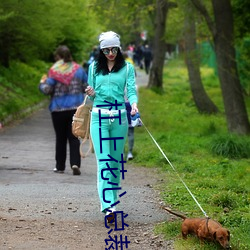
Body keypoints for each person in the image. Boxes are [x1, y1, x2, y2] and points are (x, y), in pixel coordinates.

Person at [85, 31, 138, 223]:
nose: (110, 53)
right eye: (106, 50)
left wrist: (134, 104)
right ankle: (108, 206)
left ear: (119, 48)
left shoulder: (127, 68)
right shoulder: (93, 68)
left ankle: (113, 200)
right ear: (101, 50)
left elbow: (131, 90)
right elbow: (91, 97)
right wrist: (90, 92)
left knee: (115, 162)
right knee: (104, 162)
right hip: (98, 118)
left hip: (119, 119)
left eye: (114, 49)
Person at [39, 45, 88, 175]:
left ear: (58, 57)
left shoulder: (54, 71)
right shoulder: (79, 70)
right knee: (74, 137)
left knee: (60, 138)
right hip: (75, 109)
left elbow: (47, 90)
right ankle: (75, 163)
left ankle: (60, 166)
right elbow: (86, 87)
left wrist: (42, 83)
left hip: (58, 109)